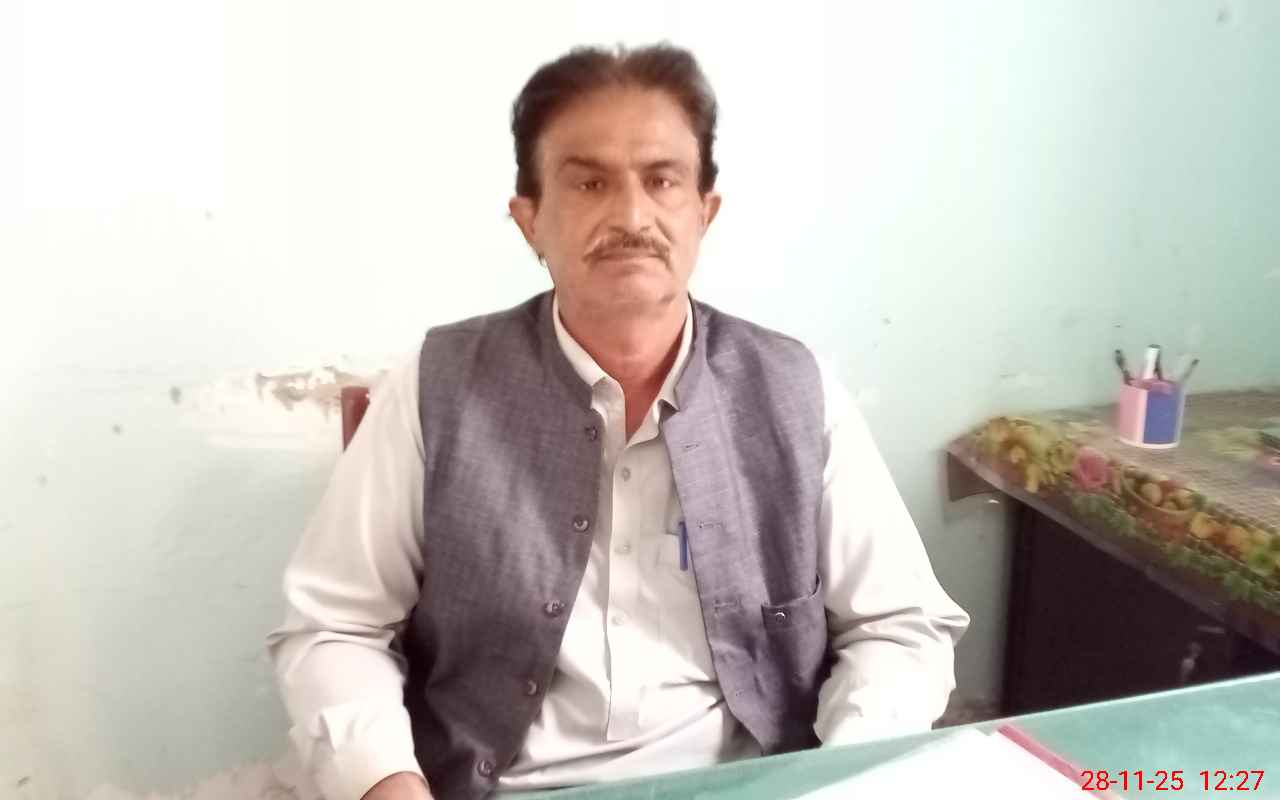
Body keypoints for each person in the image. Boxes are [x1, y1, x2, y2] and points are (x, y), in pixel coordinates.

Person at [267, 43, 969, 800]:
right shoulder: (437, 385)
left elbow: (900, 626)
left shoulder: (796, 390)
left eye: (662, 180)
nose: (632, 216)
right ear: (530, 220)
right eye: (589, 182)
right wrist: (385, 782)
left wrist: (837, 779)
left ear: (704, 213)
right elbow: (334, 625)